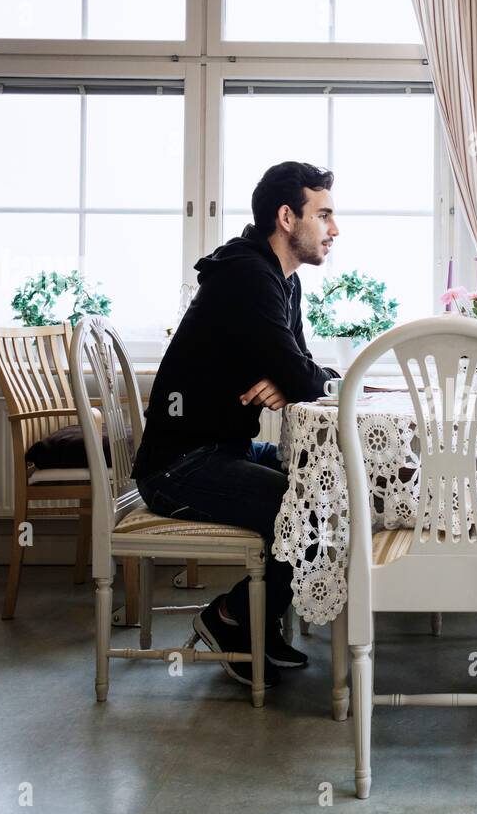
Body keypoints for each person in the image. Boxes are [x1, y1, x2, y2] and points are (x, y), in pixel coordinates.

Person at [131, 160, 340, 690]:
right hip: (178, 465)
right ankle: (231, 618)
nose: (334, 230)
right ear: (287, 217)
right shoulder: (249, 275)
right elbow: (301, 373)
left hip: (224, 449)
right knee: (306, 506)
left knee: (325, 484)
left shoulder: (280, 281)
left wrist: (292, 377)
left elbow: (303, 369)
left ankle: (251, 621)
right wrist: (293, 376)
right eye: (325, 215)